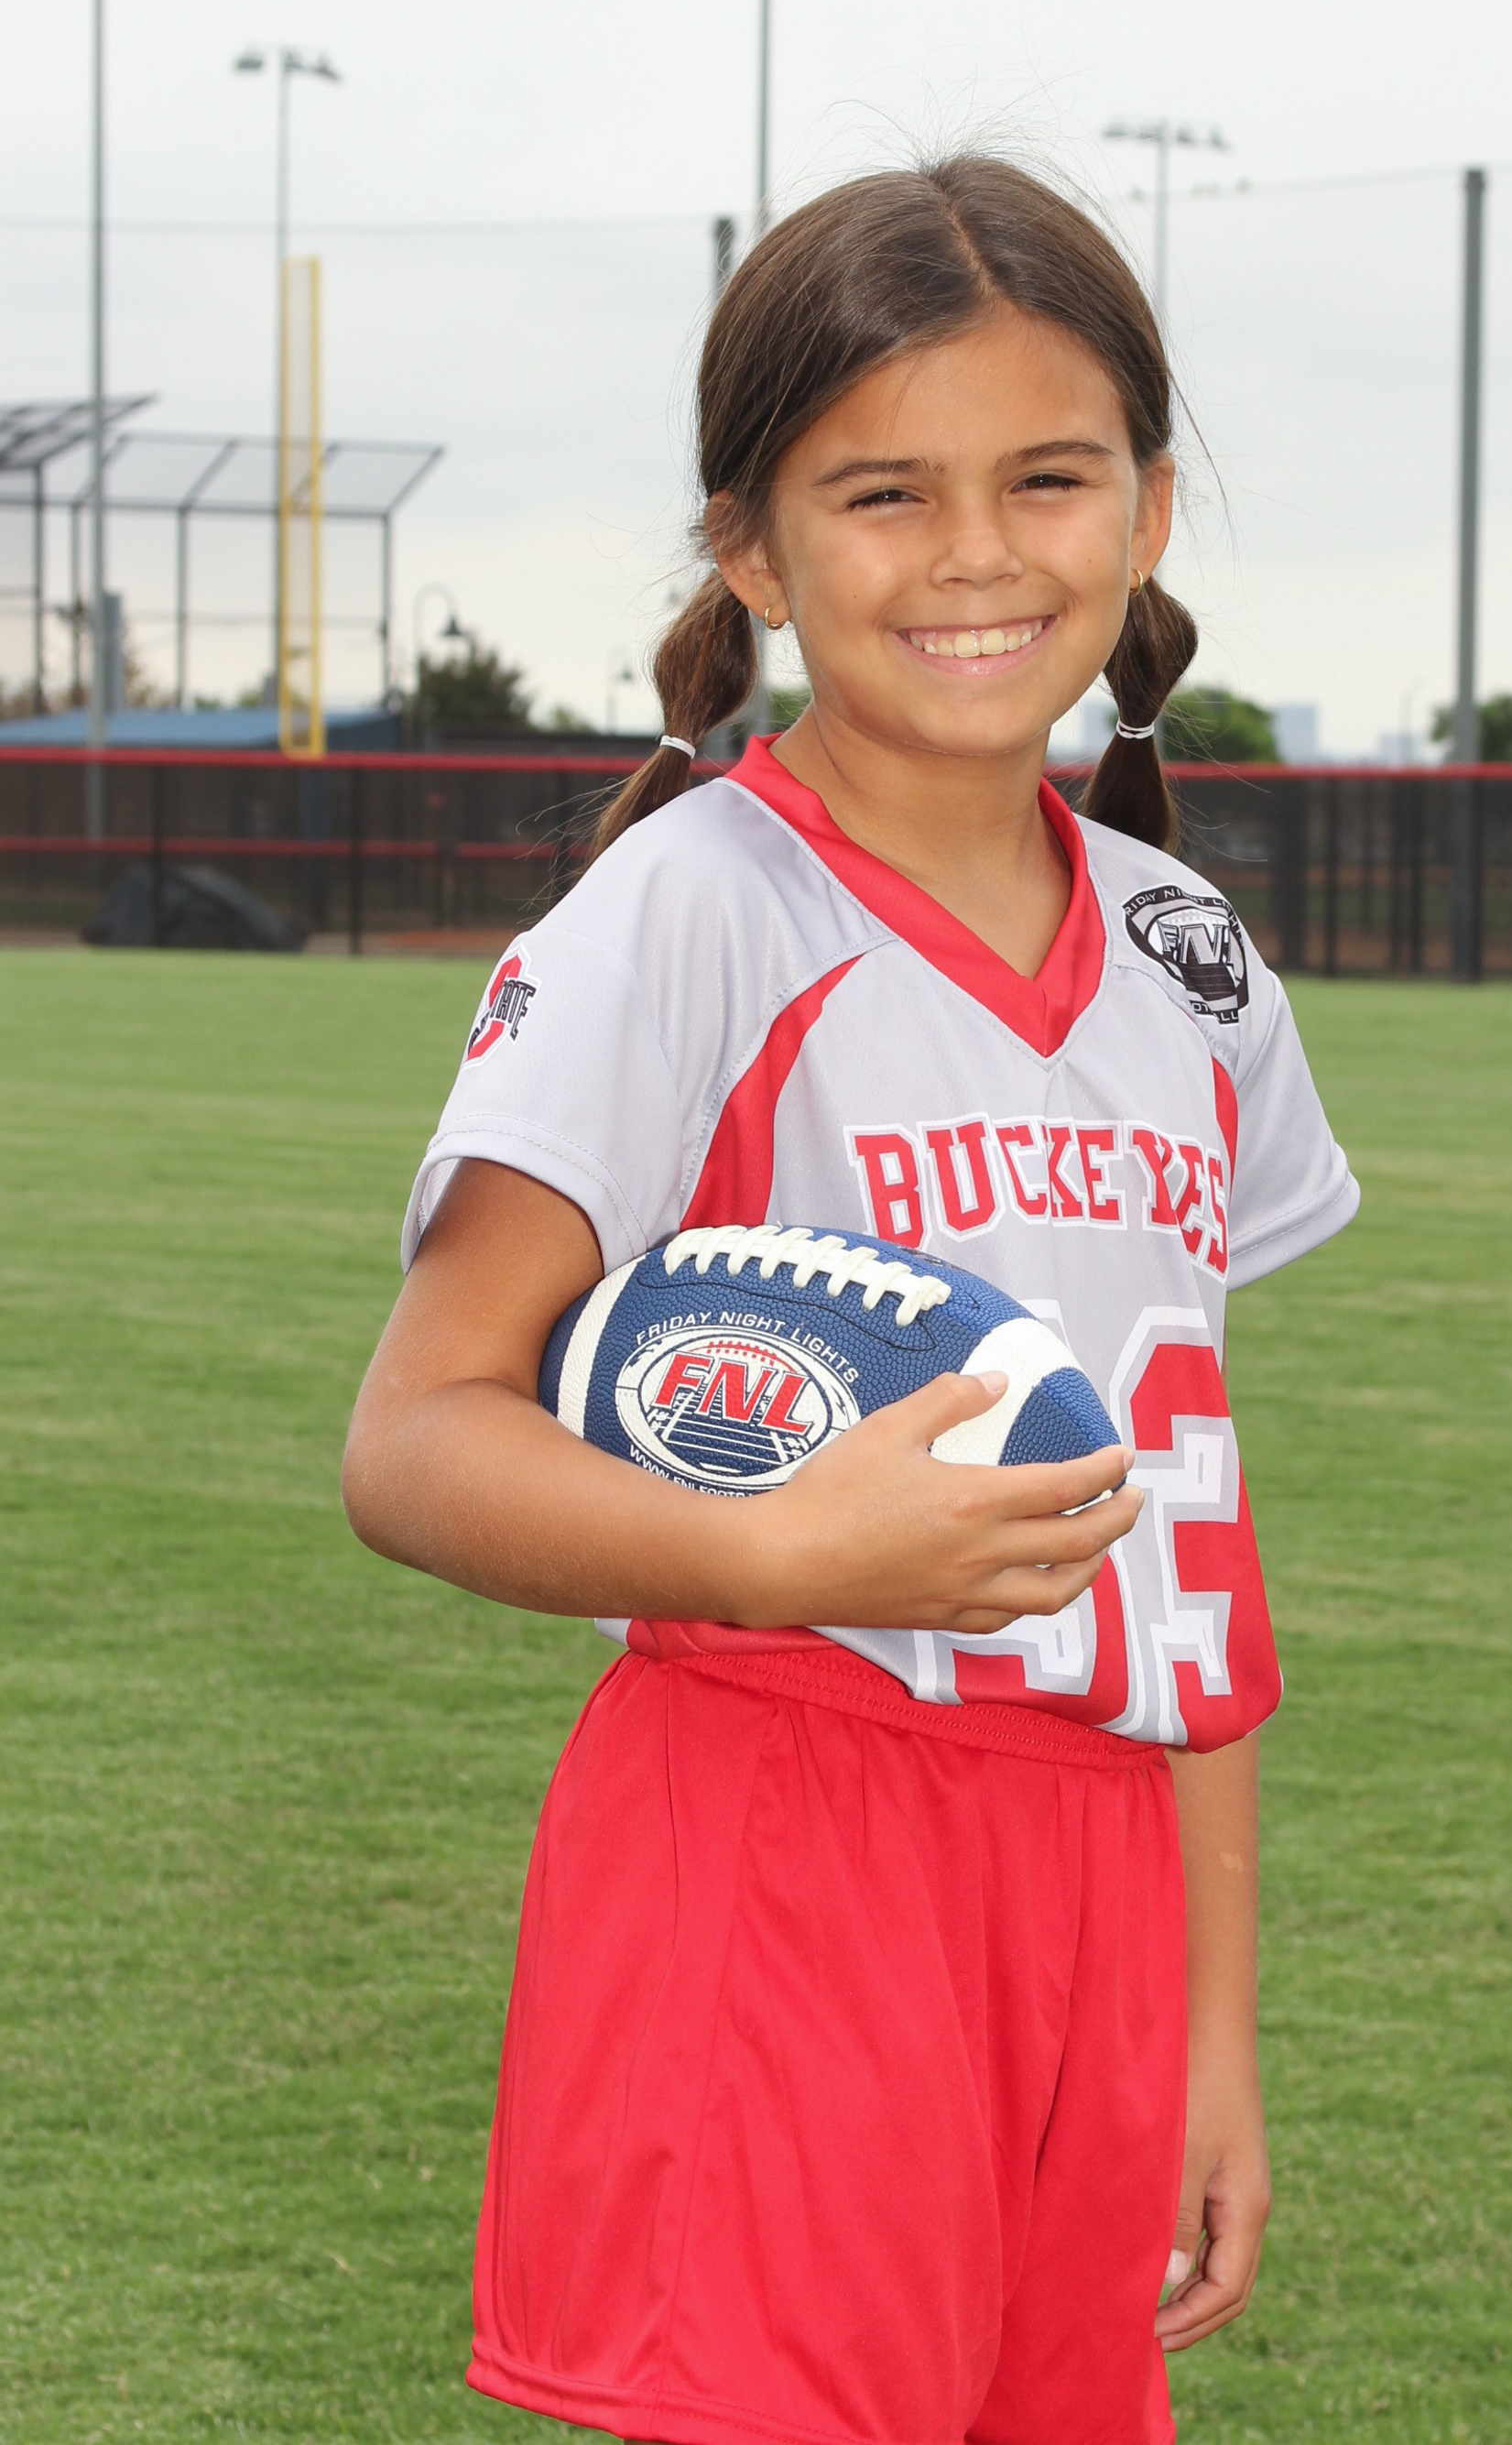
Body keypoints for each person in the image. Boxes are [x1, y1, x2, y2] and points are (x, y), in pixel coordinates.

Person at [343, 154, 1358, 2445]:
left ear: (1149, 509)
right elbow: (414, 1434)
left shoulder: (1189, 961)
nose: (976, 551)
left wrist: (1208, 2025)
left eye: (1048, 477)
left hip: (1099, 1881)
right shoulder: (688, 911)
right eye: (884, 492)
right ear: (750, 546)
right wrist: (776, 1548)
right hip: (787, 1837)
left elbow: (1182, 1525)